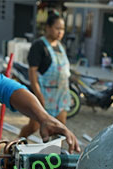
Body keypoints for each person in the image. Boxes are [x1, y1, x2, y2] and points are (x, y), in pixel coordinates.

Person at [19, 11, 71, 139]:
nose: (60, 32)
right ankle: (17, 142)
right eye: (57, 28)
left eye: (62, 29)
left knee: (60, 128)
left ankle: (53, 151)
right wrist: (39, 95)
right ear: (48, 27)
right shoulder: (39, 46)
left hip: (61, 96)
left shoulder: (61, 47)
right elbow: (32, 73)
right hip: (44, 95)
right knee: (34, 127)